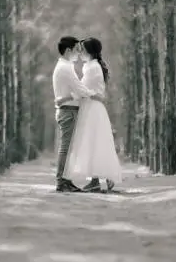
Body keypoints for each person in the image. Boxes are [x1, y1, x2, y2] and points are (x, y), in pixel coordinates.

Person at [57, 37, 122, 192]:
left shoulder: (91, 67)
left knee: (91, 142)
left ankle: (97, 180)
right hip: (94, 107)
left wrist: (65, 98)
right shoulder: (94, 66)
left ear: (90, 52)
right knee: (94, 143)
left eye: (83, 50)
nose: (80, 53)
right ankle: (98, 179)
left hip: (92, 108)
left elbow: (83, 90)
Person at [51, 36, 104, 192]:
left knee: (68, 149)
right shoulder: (66, 67)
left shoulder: (64, 66)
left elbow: (76, 89)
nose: (78, 53)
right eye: (76, 49)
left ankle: (66, 180)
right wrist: (95, 95)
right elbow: (79, 89)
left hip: (67, 109)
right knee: (66, 149)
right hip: (68, 111)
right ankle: (62, 182)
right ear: (68, 50)